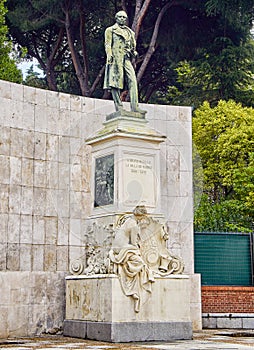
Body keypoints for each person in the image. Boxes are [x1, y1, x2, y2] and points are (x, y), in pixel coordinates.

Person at [103, 10, 146, 114]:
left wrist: (133, 53)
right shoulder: (110, 30)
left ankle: (135, 106)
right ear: (116, 18)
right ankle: (119, 107)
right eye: (120, 17)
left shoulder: (129, 32)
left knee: (133, 80)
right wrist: (109, 54)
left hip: (126, 59)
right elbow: (107, 44)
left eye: (124, 17)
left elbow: (132, 47)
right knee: (115, 83)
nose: (122, 19)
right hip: (115, 58)